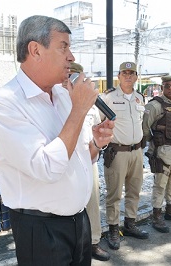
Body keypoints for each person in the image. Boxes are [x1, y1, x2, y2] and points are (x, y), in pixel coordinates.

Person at [0, 15, 114, 265]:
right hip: (42, 230)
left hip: (79, 222)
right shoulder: (5, 104)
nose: (71, 57)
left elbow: (76, 158)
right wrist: (78, 111)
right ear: (35, 50)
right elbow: (47, 168)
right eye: (63, 46)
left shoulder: (62, 96)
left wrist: (96, 143)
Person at [100, 61, 148, 250]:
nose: (128, 76)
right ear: (118, 76)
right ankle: (113, 229)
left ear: (136, 76)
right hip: (117, 152)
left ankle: (130, 224)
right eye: (124, 73)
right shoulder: (109, 98)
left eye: (131, 73)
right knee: (114, 194)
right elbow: (98, 122)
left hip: (137, 151)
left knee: (134, 191)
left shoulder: (139, 98)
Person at [66, 62, 111, 261]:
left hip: (89, 157)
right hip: (66, 160)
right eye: (72, 76)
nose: (76, 80)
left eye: (79, 76)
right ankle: (71, 244)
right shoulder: (61, 100)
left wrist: (100, 142)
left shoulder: (92, 104)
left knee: (92, 202)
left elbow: (97, 128)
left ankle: (92, 243)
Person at [142, 75, 171, 233]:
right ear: (162, 88)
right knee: (160, 185)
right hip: (162, 150)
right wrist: (153, 143)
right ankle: (157, 215)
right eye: (167, 86)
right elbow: (145, 128)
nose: (170, 88)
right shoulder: (155, 105)